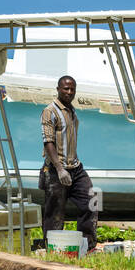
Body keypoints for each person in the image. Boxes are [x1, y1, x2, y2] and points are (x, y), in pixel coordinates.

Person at [39, 75, 99, 252]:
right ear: (58, 89)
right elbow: (48, 141)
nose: (69, 92)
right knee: (54, 213)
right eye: (66, 88)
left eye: (72, 89)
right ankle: (54, 249)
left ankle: (88, 246)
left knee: (93, 200)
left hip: (76, 168)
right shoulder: (50, 111)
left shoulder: (71, 110)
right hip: (56, 169)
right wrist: (59, 169)